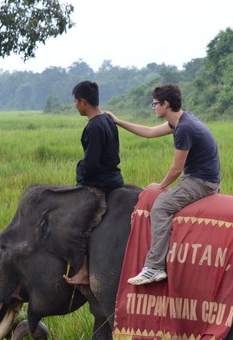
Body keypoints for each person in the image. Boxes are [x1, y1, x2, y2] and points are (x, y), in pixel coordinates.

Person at [108, 84, 220, 285]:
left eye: (155, 103)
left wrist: (159, 187)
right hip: (196, 178)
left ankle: (154, 267)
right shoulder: (180, 120)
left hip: (201, 182)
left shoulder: (184, 128)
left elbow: (177, 169)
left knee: (160, 206)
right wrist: (117, 121)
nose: (153, 107)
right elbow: (150, 132)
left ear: (165, 104)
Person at [64, 80, 124, 285]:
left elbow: (92, 163)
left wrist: (79, 170)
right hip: (114, 178)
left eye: (75, 102)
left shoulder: (94, 126)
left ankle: (83, 270)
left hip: (99, 184)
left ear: (83, 102)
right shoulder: (108, 120)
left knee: (77, 225)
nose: (75, 106)